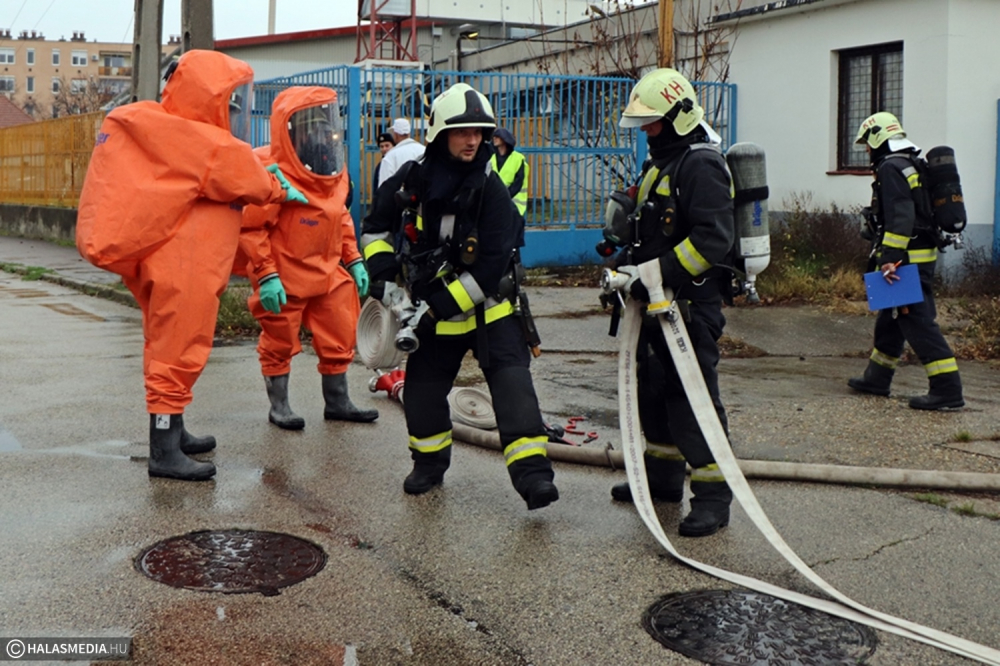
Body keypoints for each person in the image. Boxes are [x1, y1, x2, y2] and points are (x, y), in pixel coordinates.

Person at [76, 49, 307, 481]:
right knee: (178, 348)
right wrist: (277, 187)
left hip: (168, 256)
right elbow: (250, 179)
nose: (236, 112)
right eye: (231, 100)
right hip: (185, 262)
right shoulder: (206, 142)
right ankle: (164, 450)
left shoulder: (166, 129)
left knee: (164, 342)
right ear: (210, 96)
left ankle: (174, 431)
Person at [360, 82, 559, 511]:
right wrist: (382, 275)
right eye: (462, 131)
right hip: (431, 314)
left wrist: (434, 310)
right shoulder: (411, 178)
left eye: (479, 132)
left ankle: (534, 478)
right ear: (438, 135)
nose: (472, 140)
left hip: (489, 311)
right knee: (423, 395)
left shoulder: (492, 191)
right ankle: (429, 465)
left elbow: (488, 268)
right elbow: (375, 228)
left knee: (514, 392)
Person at [605, 68, 736, 537]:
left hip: (690, 307)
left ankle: (714, 498)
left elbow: (712, 240)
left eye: (653, 123)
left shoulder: (700, 164)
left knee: (692, 402)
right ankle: (662, 483)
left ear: (680, 117)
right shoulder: (663, 161)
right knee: (654, 395)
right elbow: (651, 230)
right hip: (657, 304)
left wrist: (654, 276)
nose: (646, 132)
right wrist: (626, 264)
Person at [239, 86, 378, 430]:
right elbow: (252, 229)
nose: (319, 134)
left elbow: (340, 219)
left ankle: (337, 401)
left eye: (323, 125)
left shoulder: (333, 175)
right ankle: (280, 406)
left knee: (339, 330)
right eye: (309, 126)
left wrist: (354, 259)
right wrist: (266, 275)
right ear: (290, 132)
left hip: (328, 271)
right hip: (285, 275)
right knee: (279, 339)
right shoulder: (272, 174)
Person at [847, 112, 964, 410]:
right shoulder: (911, 163)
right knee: (890, 318)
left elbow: (901, 216)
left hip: (904, 262)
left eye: (868, 145)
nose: (867, 152)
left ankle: (947, 390)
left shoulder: (891, 168)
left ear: (877, 139)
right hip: (917, 256)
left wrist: (890, 258)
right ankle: (877, 378)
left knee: (916, 321)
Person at [490, 127, 529, 216]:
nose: (494, 138)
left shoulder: (518, 159)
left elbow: (518, 183)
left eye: (497, 136)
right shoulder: (491, 158)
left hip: (514, 204)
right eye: (493, 136)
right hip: (494, 203)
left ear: (505, 139)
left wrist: (504, 197)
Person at [377, 117, 425, 188]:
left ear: (395, 134)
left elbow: (384, 187)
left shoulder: (390, 156)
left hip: (398, 197)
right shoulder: (424, 150)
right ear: (409, 133)